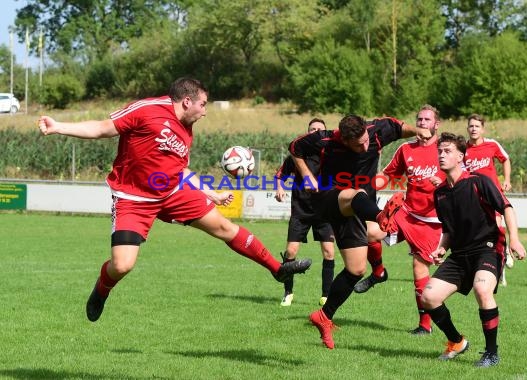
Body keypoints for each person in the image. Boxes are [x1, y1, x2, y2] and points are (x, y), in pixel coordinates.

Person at [37, 77, 312, 323]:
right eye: (203, 104)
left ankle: (278, 270)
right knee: (122, 265)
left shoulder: (186, 129)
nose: (205, 111)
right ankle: (101, 289)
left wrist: (211, 194)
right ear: (187, 100)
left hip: (170, 193)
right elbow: (102, 128)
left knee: (224, 227)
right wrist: (58, 126)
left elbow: (180, 170)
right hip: (133, 197)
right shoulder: (147, 109)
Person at [289, 113, 430, 349]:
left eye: (366, 140)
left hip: (355, 210)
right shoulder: (324, 140)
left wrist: (417, 131)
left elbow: (398, 127)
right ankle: (380, 216)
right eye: (358, 145)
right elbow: (295, 148)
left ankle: (323, 316)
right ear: (344, 140)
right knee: (356, 194)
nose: (365, 147)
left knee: (356, 269)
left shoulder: (376, 130)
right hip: (329, 197)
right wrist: (306, 175)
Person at [421, 132, 527, 368]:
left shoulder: (479, 182)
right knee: (428, 297)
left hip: (487, 249)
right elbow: (448, 230)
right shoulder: (440, 194)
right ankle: (456, 342)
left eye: (447, 151)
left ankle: (491, 353)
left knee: (482, 289)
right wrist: (441, 248)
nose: (441, 155)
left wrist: (515, 240)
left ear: (461, 156)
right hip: (459, 255)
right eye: (439, 151)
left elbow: (507, 208)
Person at [353, 104, 445, 336]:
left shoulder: (446, 150)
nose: (423, 123)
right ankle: (379, 272)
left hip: (432, 220)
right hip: (406, 211)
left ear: (437, 124)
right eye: (419, 119)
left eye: (427, 119)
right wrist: (367, 188)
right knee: (370, 233)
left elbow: (462, 179)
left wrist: (443, 183)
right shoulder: (406, 149)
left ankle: (425, 325)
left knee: (418, 269)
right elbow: (388, 174)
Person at [275, 118, 336, 307]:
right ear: (307, 132)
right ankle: (288, 292)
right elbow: (280, 176)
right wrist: (279, 188)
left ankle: (326, 295)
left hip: (324, 211)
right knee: (291, 251)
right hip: (300, 211)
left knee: (328, 252)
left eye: (320, 129)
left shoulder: (332, 154)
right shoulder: (297, 154)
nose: (316, 132)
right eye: (312, 129)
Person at [464, 113, 514, 285]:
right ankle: (481, 267)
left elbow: (505, 160)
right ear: (467, 128)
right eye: (471, 126)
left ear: (482, 129)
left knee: (498, 227)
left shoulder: (492, 144)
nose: (473, 129)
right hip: (473, 197)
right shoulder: (463, 148)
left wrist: (506, 180)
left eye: (477, 126)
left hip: (492, 195)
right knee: (476, 232)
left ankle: (502, 260)